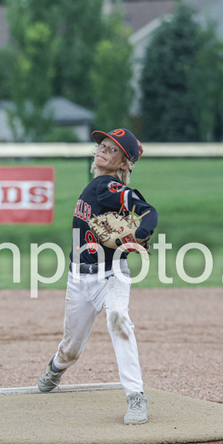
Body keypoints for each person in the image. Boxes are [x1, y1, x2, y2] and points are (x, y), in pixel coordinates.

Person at [37, 128, 158, 424]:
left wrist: (139, 234)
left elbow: (148, 212)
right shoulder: (96, 186)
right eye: (103, 145)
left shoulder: (109, 187)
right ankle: (56, 367)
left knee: (119, 321)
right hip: (79, 280)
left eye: (113, 149)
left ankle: (136, 397)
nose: (103, 149)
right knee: (70, 350)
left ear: (121, 164)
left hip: (112, 276)